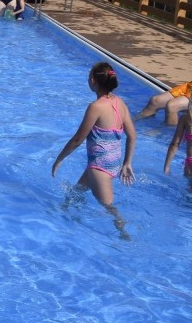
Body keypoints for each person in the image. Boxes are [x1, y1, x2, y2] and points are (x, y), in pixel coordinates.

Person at [52, 62, 136, 239]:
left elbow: (77, 139)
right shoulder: (119, 103)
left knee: (109, 207)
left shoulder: (96, 107)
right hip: (112, 163)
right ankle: (63, 217)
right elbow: (132, 135)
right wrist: (127, 163)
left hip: (99, 168)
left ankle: (124, 233)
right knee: (75, 194)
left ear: (92, 80)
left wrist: (59, 159)